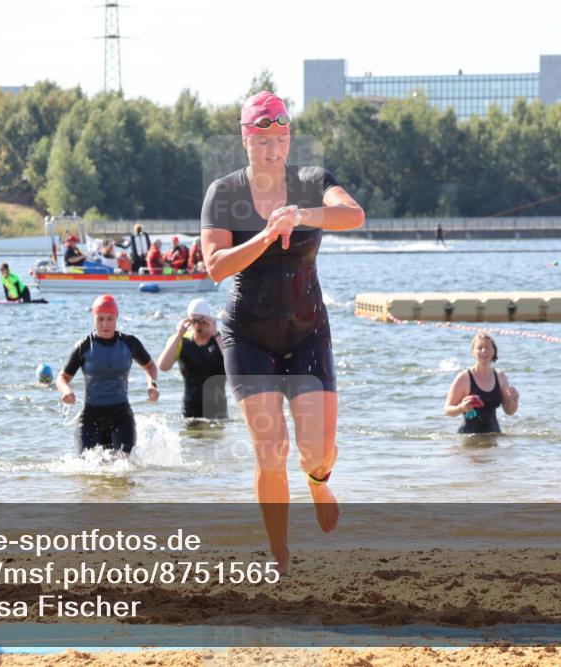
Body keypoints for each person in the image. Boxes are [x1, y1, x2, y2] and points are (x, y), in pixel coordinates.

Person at [200, 90, 364, 571]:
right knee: (271, 449)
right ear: (246, 140)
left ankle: (318, 481)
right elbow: (214, 267)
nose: (275, 151)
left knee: (316, 451)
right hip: (247, 333)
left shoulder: (312, 181)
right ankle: (279, 551)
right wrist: (266, 234)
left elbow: (354, 215)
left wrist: (302, 215)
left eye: (282, 139)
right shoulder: (224, 193)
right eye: (264, 142)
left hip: (308, 329)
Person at [57, 294, 159, 453]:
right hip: (90, 417)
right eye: (100, 319)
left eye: (110, 319)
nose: (105, 324)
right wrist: (67, 391)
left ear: (117, 318)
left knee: (125, 468)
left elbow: (150, 366)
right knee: (87, 470)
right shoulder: (84, 346)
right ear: (93, 318)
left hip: (121, 415)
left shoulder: (129, 343)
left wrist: (152, 384)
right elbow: (62, 377)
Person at [157, 298, 228, 420]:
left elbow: (234, 366)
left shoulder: (221, 339)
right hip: (190, 410)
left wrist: (216, 334)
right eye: (193, 321)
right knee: (190, 440)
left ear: (209, 320)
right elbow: (163, 366)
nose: (197, 325)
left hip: (217, 409)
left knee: (217, 439)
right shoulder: (180, 340)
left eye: (202, 321)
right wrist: (179, 335)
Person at [444, 333, 519, 434]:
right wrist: (461, 408)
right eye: (479, 348)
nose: (483, 351)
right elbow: (447, 410)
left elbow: (509, 411)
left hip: (494, 436)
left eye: (487, 347)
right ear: (473, 352)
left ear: (494, 351)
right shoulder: (464, 377)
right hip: (469, 438)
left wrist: (514, 399)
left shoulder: (500, 376)